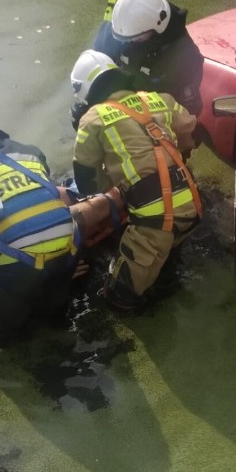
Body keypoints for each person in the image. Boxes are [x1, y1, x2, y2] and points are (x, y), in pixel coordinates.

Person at [0, 99, 123, 343]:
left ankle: (8, 342)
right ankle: (56, 311)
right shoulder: (28, 150)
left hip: (19, 263)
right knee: (53, 304)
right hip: (69, 248)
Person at [70, 50, 203, 311]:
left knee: (118, 296)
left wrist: (115, 188)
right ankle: (166, 261)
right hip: (192, 204)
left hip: (154, 224)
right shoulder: (160, 99)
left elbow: (87, 181)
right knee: (167, 251)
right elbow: (190, 131)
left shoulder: (92, 119)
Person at [92, 0, 204, 117]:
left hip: (154, 122)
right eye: (124, 40)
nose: (129, 44)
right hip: (113, 108)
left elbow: (186, 114)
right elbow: (95, 66)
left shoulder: (184, 58)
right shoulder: (120, 30)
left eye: (137, 39)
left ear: (158, 27)